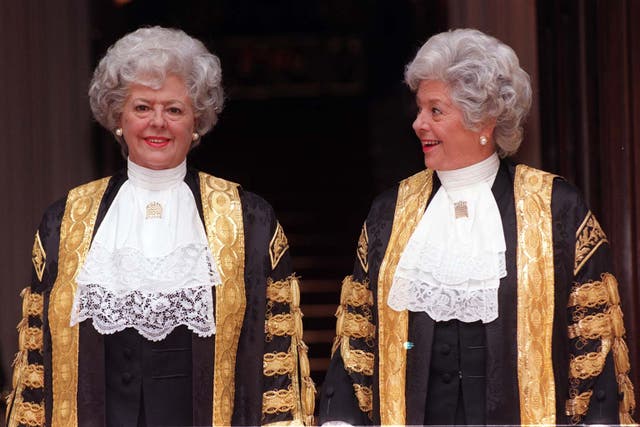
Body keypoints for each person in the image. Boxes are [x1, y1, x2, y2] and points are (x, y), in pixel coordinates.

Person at [318, 28, 635, 425]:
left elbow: (594, 344)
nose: (418, 124)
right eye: (419, 109)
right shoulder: (389, 212)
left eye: (435, 111)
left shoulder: (556, 208)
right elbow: (356, 341)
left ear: (483, 119)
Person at [5, 26, 315, 427]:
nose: (158, 123)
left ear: (197, 121)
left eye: (174, 109)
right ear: (118, 116)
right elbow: (37, 361)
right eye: (142, 108)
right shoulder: (66, 219)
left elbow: (276, 355)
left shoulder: (247, 219)